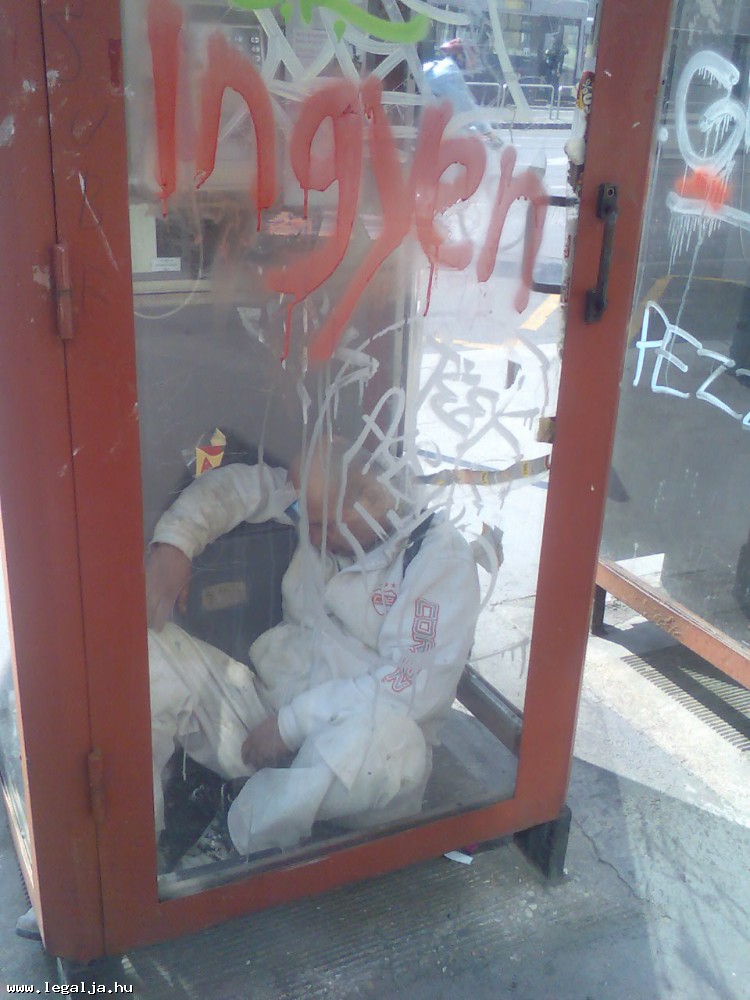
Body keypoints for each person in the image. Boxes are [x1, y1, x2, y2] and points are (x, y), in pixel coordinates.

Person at [146, 435, 481, 860]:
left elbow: (410, 691)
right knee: (147, 652)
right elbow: (237, 488)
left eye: (324, 525)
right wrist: (175, 545)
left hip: (351, 770)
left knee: (392, 736)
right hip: (262, 724)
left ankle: (235, 833)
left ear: (375, 499)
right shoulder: (318, 507)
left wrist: (291, 726)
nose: (312, 535)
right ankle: (138, 850)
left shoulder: (438, 558)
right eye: (306, 519)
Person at [422, 38, 500, 144]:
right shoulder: (450, 74)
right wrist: (488, 132)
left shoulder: (440, 66)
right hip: (431, 127)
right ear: (460, 57)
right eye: (472, 58)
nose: (474, 62)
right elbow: (466, 107)